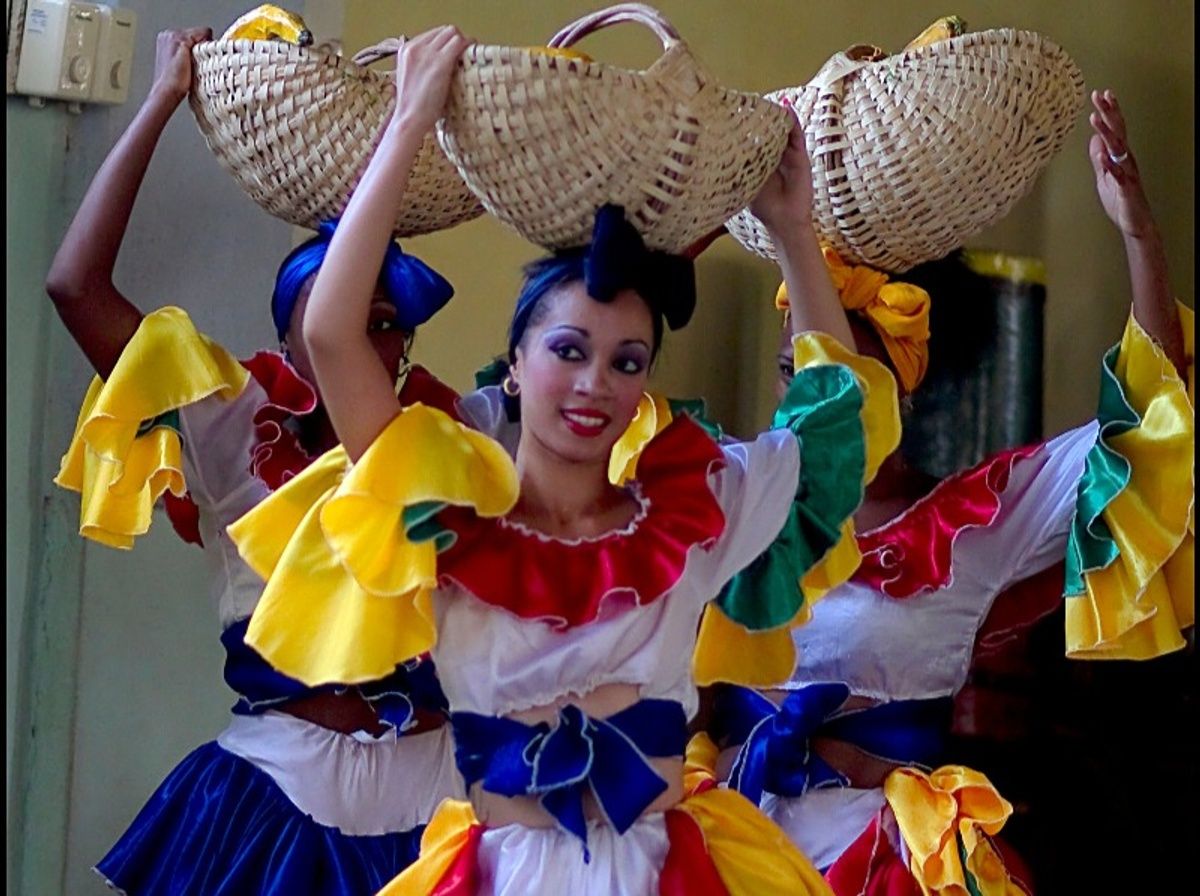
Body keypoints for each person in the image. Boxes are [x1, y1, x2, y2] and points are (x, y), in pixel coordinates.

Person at [227, 25, 902, 895]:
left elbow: (829, 433)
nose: (595, 384)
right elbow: (330, 331)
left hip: (666, 870)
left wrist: (795, 233)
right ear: (514, 365)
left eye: (627, 361)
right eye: (569, 350)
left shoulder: (692, 514)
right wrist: (406, 126)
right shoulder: (448, 514)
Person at [702, 88, 1193, 895]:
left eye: (847, 379)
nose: (812, 398)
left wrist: (1140, 237)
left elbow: (1150, 431)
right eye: (795, 374)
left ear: (902, 390)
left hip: (889, 862)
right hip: (722, 845)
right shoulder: (732, 486)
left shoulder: (974, 522)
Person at [48, 28, 465, 895]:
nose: (362, 332)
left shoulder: (457, 438)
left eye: (383, 319)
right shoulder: (230, 420)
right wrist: (162, 98)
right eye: (339, 310)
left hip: (444, 793)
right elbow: (75, 287)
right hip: (276, 787)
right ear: (290, 328)